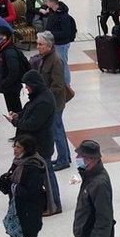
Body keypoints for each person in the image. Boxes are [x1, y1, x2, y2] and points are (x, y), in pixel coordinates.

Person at [0, 136, 52, 237]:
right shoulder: (19, 162)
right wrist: (6, 184)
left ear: (26, 149)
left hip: (30, 209)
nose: (14, 149)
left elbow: (32, 192)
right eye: (14, 146)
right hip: (21, 207)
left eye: (18, 147)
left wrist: (13, 186)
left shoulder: (33, 166)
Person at [9, 70, 60, 214]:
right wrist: (18, 115)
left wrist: (16, 122)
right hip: (35, 143)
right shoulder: (39, 96)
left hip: (41, 144)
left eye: (28, 85)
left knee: (47, 174)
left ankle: (55, 204)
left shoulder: (44, 100)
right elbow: (29, 113)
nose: (26, 88)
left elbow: (33, 123)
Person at [35, 31, 71, 173]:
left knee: (56, 131)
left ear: (49, 46)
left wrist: (45, 98)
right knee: (59, 129)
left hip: (55, 102)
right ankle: (65, 156)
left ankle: (63, 160)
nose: (38, 47)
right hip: (52, 100)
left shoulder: (56, 60)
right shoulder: (46, 57)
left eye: (40, 44)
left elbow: (57, 84)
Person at [44, 0, 77, 85]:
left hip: (62, 44)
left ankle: (67, 85)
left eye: (47, 1)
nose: (45, 3)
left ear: (52, 2)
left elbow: (65, 33)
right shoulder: (51, 12)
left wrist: (51, 34)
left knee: (63, 64)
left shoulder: (63, 16)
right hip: (54, 42)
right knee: (56, 64)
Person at [0, 26, 26, 114]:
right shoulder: (3, 50)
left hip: (11, 88)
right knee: (12, 111)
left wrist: (3, 84)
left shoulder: (10, 52)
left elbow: (14, 72)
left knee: (15, 112)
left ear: (4, 38)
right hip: (8, 87)